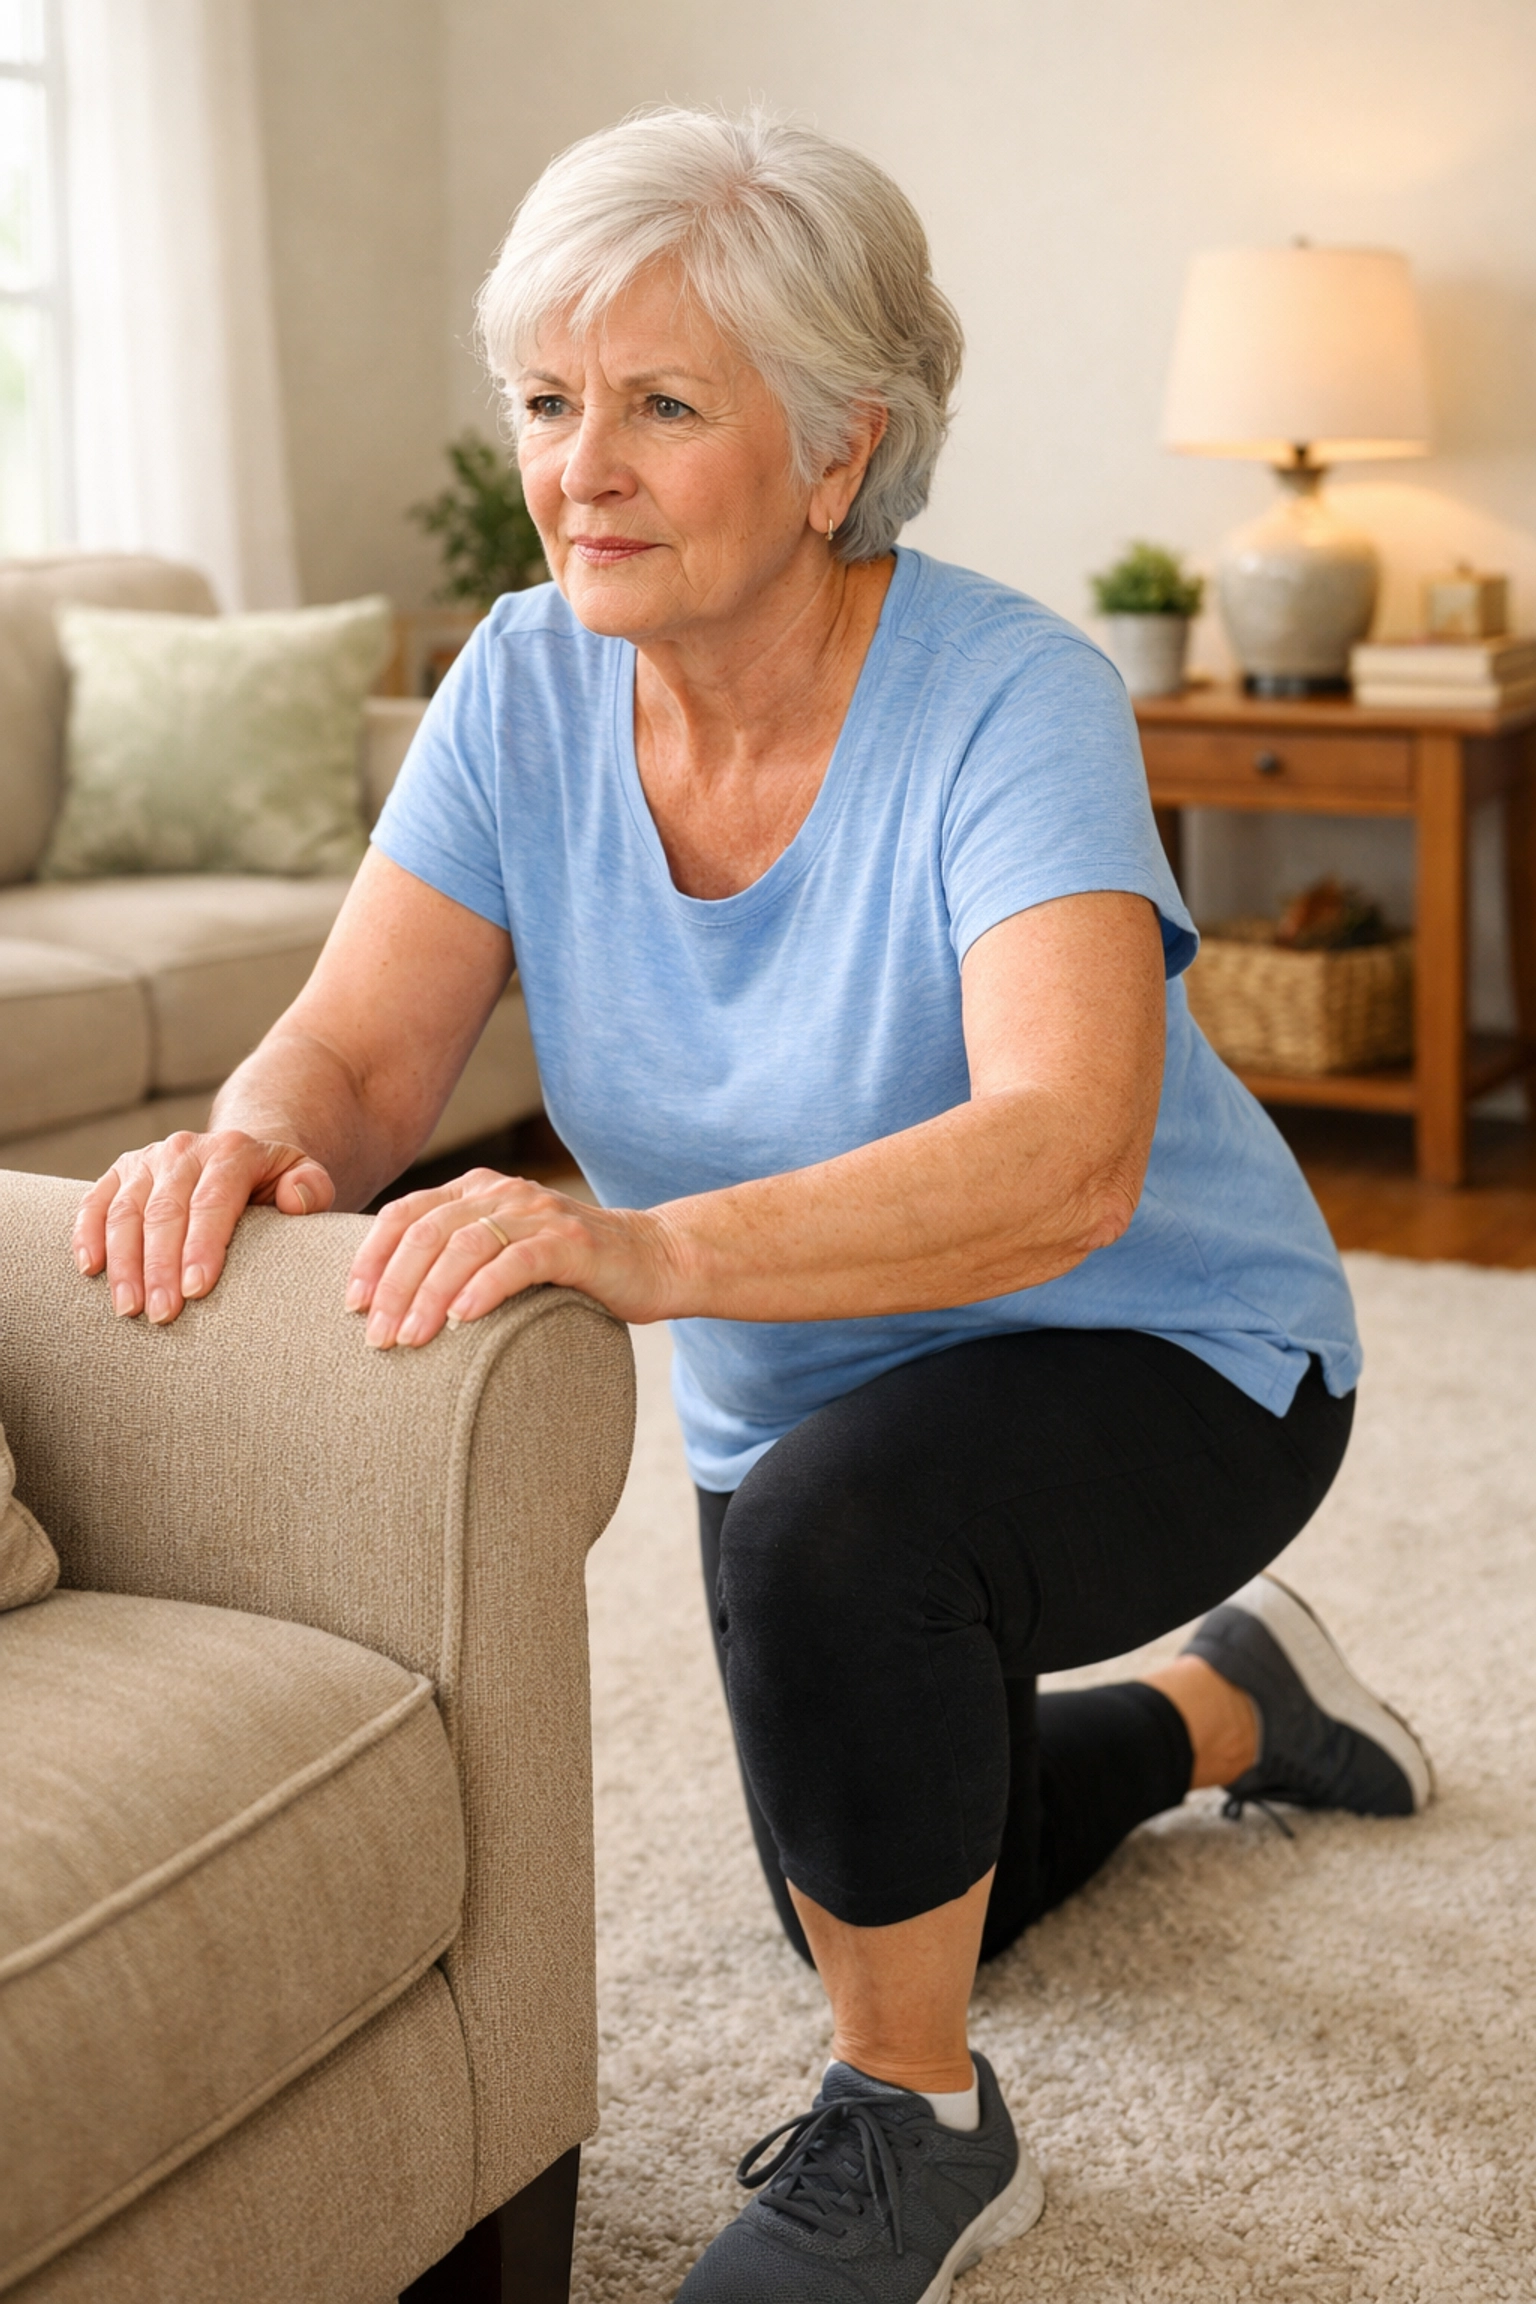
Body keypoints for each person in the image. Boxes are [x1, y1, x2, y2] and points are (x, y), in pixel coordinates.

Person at [74, 108, 1433, 2304]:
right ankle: (1231, 1710)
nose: (575, 466)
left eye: (660, 405)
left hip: (1168, 1348)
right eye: (547, 401)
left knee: (842, 1574)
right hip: (814, 1384)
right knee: (881, 1825)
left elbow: (1068, 1152)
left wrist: (641, 1257)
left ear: (834, 450)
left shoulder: (1013, 700)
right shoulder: (521, 686)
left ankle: (921, 2130)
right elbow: (357, 1049)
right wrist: (261, 1136)